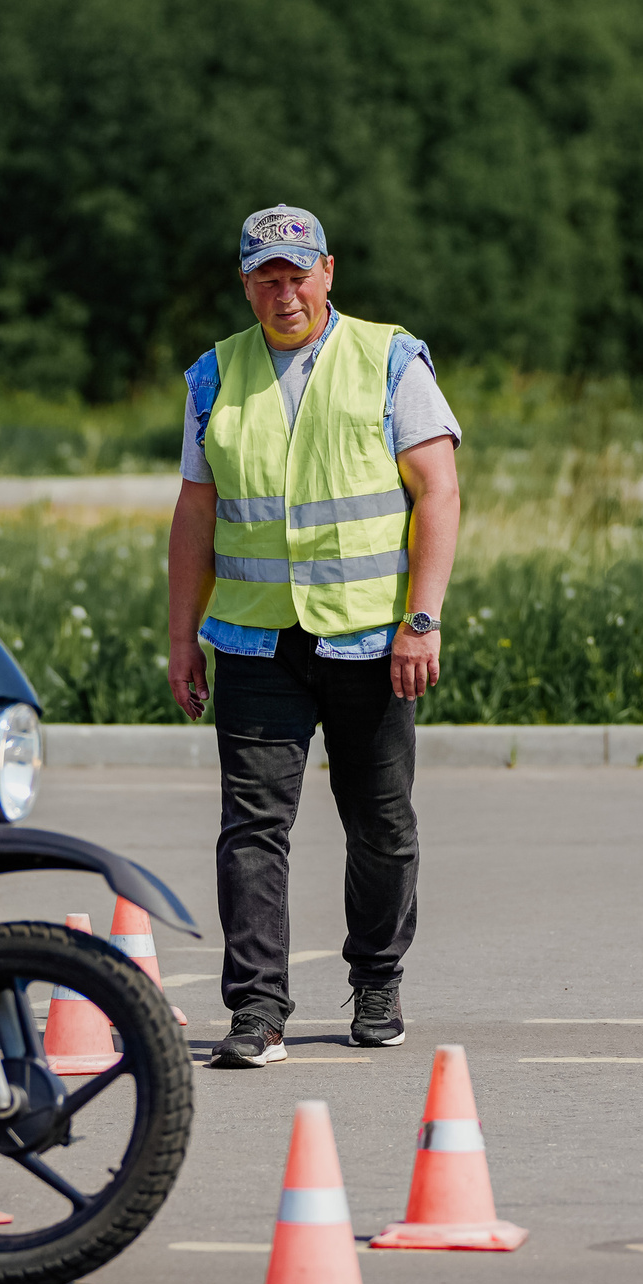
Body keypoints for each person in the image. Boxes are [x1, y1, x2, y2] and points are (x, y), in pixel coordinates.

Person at [165, 206, 463, 1067]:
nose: (283, 292)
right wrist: (182, 637)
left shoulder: (389, 360)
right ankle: (257, 1010)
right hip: (257, 640)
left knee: (380, 825)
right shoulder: (214, 376)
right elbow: (196, 508)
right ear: (246, 280)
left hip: (372, 640)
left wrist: (421, 617)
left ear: (328, 271)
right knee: (252, 830)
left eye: (298, 274)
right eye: (267, 276)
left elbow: (437, 491)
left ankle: (376, 977)